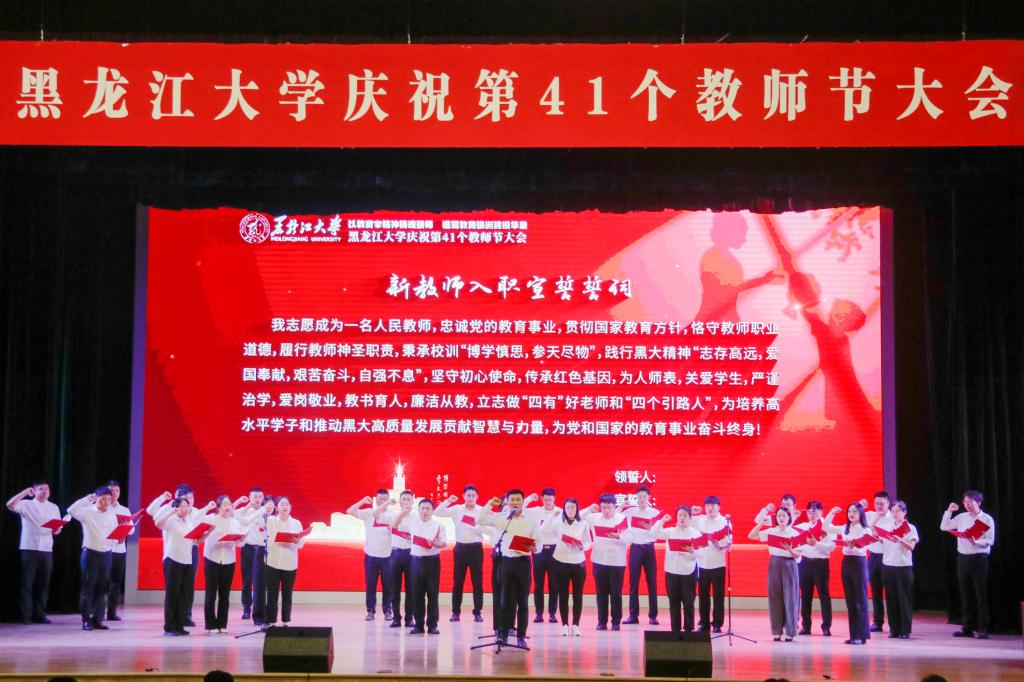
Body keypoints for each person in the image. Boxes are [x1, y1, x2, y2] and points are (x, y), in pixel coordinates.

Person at [479, 489, 540, 648]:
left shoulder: (531, 520)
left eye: (518, 499)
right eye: (512, 500)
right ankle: (503, 634)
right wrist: (490, 504)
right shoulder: (501, 518)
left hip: (523, 563)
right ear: (507, 501)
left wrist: (533, 548)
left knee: (523, 602)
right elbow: (480, 519)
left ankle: (521, 637)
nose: (515, 502)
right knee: (506, 601)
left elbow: (538, 544)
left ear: (523, 501)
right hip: (506, 562)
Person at [940, 489, 996, 639]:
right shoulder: (962, 517)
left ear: (978, 502)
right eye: (965, 502)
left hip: (979, 558)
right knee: (965, 594)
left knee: (981, 595)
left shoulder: (987, 519)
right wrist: (949, 511)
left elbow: (991, 540)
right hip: (963, 559)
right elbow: (944, 527)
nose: (967, 505)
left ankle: (983, 628)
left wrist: (977, 542)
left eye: (970, 502)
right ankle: (967, 627)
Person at [151, 493, 209, 636]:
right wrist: (171, 511)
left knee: (184, 594)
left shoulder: (189, 522)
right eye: (181, 506)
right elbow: (158, 523)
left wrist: (209, 531)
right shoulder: (171, 520)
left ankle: (179, 625)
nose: (184, 509)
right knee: (172, 594)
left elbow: (196, 541)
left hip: (187, 561)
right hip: (173, 559)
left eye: (186, 506)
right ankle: (169, 627)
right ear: (176, 508)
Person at [6, 482, 62, 624]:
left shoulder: (54, 507)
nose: (44, 491)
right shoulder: (26, 504)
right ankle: (26, 615)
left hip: (46, 549)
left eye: (47, 489)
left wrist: (57, 530)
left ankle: (40, 614)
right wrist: (25, 492)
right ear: (34, 491)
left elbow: (57, 529)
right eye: (41, 489)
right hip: (29, 548)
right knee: (27, 584)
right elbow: (9, 504)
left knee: (43, 584)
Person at [68, 486, 119, 631]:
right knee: (88, 587)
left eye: (108, 499)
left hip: (107, 553)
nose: (105, 502)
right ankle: (86, 619)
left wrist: (118, 538)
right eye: (102, 499)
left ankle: (98, 619)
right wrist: (86, 499)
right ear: (96, 498)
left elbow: (114, 531)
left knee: (102, 588)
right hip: (91, 553)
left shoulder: (111, 513)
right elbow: (71, 510)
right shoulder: (87, 512)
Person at [749, 506, 802, 641]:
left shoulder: (794, 533)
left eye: (784, 516)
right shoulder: (772, 531)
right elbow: (752, 535)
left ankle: (790, 631)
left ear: (789, 518)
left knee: (790, 598)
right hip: (774, 562)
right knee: (774, 597)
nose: (781, 518)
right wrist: (761, 523)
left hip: (789, 564)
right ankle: (777, 631)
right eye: (779, 516)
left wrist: (790, 550)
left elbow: (798, 555)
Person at [435, 484, 486, 623]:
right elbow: (437, 512)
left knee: (477, 582)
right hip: (461, 549)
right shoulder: (457, 509)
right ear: (464, 496)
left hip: (476, 549)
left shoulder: (482, 510)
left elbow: (490, 526)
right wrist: (448, 501)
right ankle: (455, 612)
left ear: (477, 497)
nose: (470, 498)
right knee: (458, 582)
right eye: (468, 495)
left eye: (473, 495)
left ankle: (477, 612)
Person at [823, 502, 872, 644]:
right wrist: (832, 512)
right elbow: (826, 527)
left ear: (861, 514)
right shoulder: (845, 528)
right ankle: (853, 635)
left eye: (855, 511)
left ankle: (862, 636)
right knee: (850, 600)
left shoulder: (866, 530)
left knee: (861, 599)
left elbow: (864, 547)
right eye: (849, 511)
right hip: (847, 562)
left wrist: (853, 545)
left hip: (859, 562)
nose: (851, 514)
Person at [873, 500, 919, 639]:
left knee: (903, 599)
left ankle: (905, 630)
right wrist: (878, 536)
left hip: (903, 567)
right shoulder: (887, 526)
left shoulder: (910, 528)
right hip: (888, 565)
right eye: (893, 511)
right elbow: (878, 536)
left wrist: (899, 540)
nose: (895, 514)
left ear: (904, 512)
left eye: (898, 511)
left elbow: (911, 547)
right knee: (891, 598)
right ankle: (894, 629)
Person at [652, 506, 702, 633]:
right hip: (671, 572)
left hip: (688, 573)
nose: (682, 518)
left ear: (690, 518)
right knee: (673, 603)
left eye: (685, 515)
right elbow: (653, 533)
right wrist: (662, 521)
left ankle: (689, 630)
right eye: (680, 515)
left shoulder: (695, 533)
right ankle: (675, 630)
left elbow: (701, 554)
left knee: (688, 603)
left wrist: (692, 550)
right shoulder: (670, 531)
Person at [582, 494, 628, 631]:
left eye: (609, 507)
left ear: (615, 506)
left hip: (617, 562)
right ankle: (602, 621)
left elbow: (630, 537)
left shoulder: (622, 519)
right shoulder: (594, 518)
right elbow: (576, 518)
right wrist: (588, 509)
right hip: (599, 560)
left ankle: (616, 622)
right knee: (601, 593)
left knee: (615, 593)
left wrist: (619, 537)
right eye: (603, 507)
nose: (606, 510)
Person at [347, 490, 394, 622]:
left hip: (388, 556)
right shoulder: (369, 513)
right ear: (375, 499)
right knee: (371, 585)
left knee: (388, 586)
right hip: (371, 556)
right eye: (380, 499)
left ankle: (388, 611)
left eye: (385, 499)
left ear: (388, 500)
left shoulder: (392, 515)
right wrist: (363, 501)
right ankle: (370, 611)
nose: (382, 501)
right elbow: (350, 511)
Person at [547, 497, 591, 636]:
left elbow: (588, 542)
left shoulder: (583, 523)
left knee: (578, 596)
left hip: (578, 562)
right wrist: (551, 516)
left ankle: (576, 625)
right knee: (563, 595)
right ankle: (564, 624)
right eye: (567, 508)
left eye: (573, 507)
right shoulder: (558, 523)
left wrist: (582, 547)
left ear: (577, 509)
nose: (570, 510)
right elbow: (543, 529)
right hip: (561, 562)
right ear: (564, 510)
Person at [204, 495, 246, 634]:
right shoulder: (211, 519)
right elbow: (201, 530)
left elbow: (240, 543)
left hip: (228, 560)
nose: (228, 507)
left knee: (225, 594)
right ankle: (211, 625)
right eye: (225, 504)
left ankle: (222, 624)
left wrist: (241, 539)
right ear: (218, 507)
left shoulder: (235, 522)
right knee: (211, 593)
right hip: (212, 558)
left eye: (229, 504)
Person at [265, 497, 310, 626]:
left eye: (287, 505)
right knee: (272, 594)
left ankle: (286, 621)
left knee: (287, 594)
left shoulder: (296, 523)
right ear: (277, 507)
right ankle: (272, 621)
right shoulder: (271, 520)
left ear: (290, 507)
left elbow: (301, 544)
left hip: (289, 563)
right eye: (282, 504)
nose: (284, 507)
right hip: (273, 562)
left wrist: (297, 541)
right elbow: (270, 536)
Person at [690, 495, 732, 632]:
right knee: (703, 595)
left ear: (718, 507)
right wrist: (692, 512)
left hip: (718, 563)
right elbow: (686, 524)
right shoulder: (699, 519)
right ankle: (704, 623)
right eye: (708, 506)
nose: (710, 508)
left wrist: (720, 545)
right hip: (702, 563)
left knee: (718, 596)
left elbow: (729, 542)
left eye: (713, 506)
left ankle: (717, 624)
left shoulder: (725, 522)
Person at [795, 501, 836, 636]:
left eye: (814, 511)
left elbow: (832, 547)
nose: (811, 514)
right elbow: (790, 532)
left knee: (824, 595)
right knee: (806, 596)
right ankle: (806, 627)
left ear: (821, 512)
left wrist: (816, 543)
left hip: (821, 563)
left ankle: (826, 627)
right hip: (805, 563)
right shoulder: (804, 527)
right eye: (809, 512)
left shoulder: (828, 527)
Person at [622, 485, 661, 626]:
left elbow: (659, 533)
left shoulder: (655, 512)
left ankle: (653, 616)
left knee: (652, 582)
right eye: (639, 497)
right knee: (633, 583)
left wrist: (652, 528)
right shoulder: (630, 512)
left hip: (649, 549)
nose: (642, 500)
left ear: (649, 497)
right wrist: (621, 507)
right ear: (636, 498)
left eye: (644, 497)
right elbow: (616, 517)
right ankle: (633, 615)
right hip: (635, 549)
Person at [377, 490, 415, 628]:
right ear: (400, 501)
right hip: (396, 554)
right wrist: (402, 513)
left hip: (411, 554)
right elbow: (392, 525)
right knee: (395, 588)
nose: (406, 502)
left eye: (409, 499)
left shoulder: (417, 516)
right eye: (404, 499)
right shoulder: (392, 515)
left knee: (411, 588)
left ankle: (409, 618)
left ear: (413, 501)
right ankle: (396, 618)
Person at [409, 498, 447, 634]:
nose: (425, 511)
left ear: (432, 510)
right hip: (415, 561)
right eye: (422, 508)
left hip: (432, 562)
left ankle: (432, 625)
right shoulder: (412, 524)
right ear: (418, 510)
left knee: (433, 594)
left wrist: (436, 544)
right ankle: (418, 625)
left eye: (428, 508)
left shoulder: (439, 526)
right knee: (417, 594)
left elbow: (444, 543)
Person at [526, 487, 562, 624]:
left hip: (555, 551)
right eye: (545, 499)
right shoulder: (536, 511)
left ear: (554, 499)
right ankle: (539, 613)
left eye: (550, 499)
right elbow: (521, 509)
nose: (548, 502)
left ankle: (552, 613)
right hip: (539, 551)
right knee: (538, 584)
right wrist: (530, 498)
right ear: (542, 499)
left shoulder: (560, 512)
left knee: (554, 584)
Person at [235, 486, 268, 623]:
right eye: (255, 496)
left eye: (260, 496)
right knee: (247, 581)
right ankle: (246, 608)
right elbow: (233, 515)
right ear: (250, 497)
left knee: (260, 582)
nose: (258, 499)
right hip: (248, 548)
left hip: (262, 550)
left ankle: (259, 610)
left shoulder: (266, 512)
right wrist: (245, 505)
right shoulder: (244, 512)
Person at [105, 480, 135, 622]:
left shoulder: (124, 510)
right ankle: (96, 612)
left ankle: (112, 612)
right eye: (111, 491)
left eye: (116, 491)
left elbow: (132, 529)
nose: (114, 493)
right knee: (100, 582)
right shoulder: (101, 508)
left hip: (119, 550)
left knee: (115, 582)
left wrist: (125, 529)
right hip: (104, 549)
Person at [863, 491, 892, 633]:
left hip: (889, 557)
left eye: (882, 503)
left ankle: (894, 623)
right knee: (876, 591)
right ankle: (877, 622)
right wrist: (876, 517)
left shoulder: (893, 516)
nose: (879, 506)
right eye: (876, 503)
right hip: (874, 557)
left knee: (891, 591)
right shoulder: (869, 515)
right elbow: (865, 530)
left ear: (888, 504)